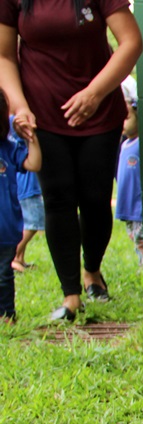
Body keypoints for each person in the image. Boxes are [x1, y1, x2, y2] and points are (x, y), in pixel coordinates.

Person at [0, 0, 143, 322]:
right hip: (41, 113)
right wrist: (19, 106)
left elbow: (131, 42)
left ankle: (92, 271)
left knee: (94, 199)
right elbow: (4, 55)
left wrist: (94, 94)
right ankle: (71, 296)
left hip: (99, 110)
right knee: (58, 199)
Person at [0, 96, 42, 323]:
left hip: (5, 230)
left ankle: (6, 315)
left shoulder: (8, 148)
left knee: (3, 275)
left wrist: (31, 137)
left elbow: (34, 164)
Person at [114, 99, 143, 267]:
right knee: (134, 237)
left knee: (142, 239)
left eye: (127, 118)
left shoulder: (142, 143)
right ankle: (142, 263)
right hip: (127, 205)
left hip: (139, 207)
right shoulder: (124, 144)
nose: (122, 123)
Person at [10, 144, 43, 273]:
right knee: (34, 223)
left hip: (28, 184)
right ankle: (12, 257)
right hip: (28, 186)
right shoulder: (19, 129)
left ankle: (19, 259)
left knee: (25, 223)